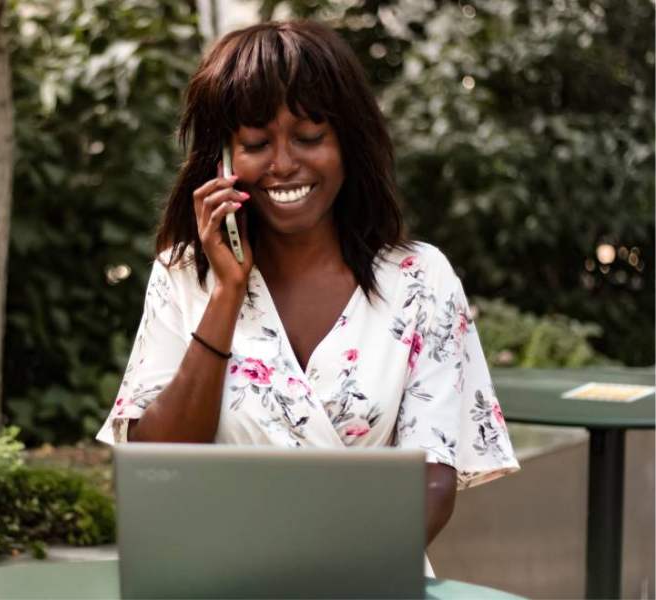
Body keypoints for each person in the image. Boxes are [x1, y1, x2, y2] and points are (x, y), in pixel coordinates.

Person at [96, 19, 519, 563]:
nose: (283, 163)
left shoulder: (420, 278)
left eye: (309, 137)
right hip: (216, 579)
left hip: (366, 580)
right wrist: (227, 292)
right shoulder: (184, 276)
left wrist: (323, 578)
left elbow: (432, 482)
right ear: (222, 161)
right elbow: (158, 464)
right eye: (254, 143)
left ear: (348, 142)